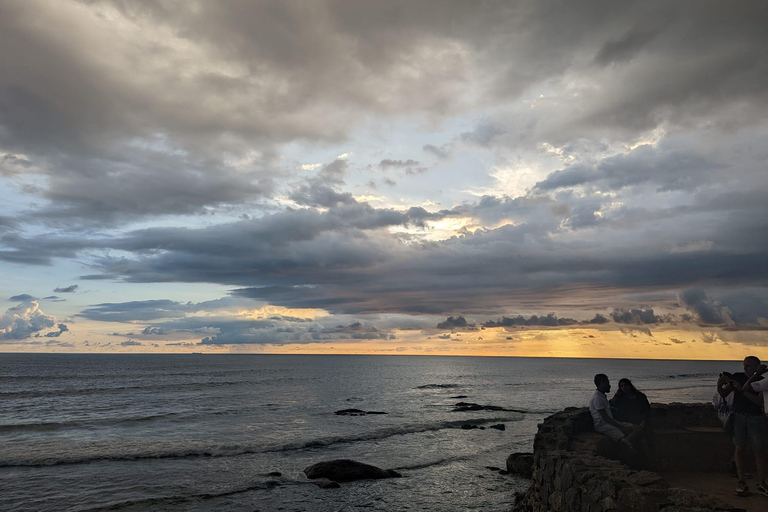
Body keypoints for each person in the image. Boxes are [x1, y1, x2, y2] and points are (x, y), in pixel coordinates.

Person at [717, 356, 768, 497]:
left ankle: (762, 483)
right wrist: (719, 385)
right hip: (738, 416)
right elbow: (724, 393)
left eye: (748, 366)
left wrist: (741, 390)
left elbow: (759, 402)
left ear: (757, 367)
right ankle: (741, 482)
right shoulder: (737, 377)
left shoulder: (762, 381)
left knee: (759, 450)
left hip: (756, 418)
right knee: (739, 448)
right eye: (744, 366)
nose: (745, 369)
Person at [589, 374, 636, 448]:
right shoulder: (597, 397)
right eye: (608, 383)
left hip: (609, 422)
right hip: (602, 425)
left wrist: (610, 408)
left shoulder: (601, 396)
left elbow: (603, 410)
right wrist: (621, 427)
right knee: (624, 440)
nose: (609, 385)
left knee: (635, 427)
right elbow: (605, 417)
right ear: (602, 383)